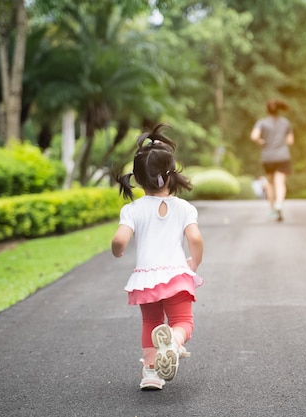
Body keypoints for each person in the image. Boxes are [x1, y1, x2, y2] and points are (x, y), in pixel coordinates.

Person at [111, 123, 204, 391]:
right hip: (176, 275)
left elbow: (120, 240)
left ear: (137, 179)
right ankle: (174, 342)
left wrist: (118, 250)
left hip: (146, 278)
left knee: (151, 323)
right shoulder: (184, 208)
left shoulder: (133, 210)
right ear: (172, 175)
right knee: (183, 322)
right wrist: (194, 262)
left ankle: (151, 373)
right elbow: (195, 239)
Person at [250, 99, 294, 221]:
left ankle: (273, 209)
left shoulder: (262, 123)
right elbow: (290, 141)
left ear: (267, 110)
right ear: (279, 110)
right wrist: (281, 143)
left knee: (270, 183)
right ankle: (279, 203)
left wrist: (261, 142)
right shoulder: (286, 123)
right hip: (283, 156)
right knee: (280, 183)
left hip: (268, 157)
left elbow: (254, 136)